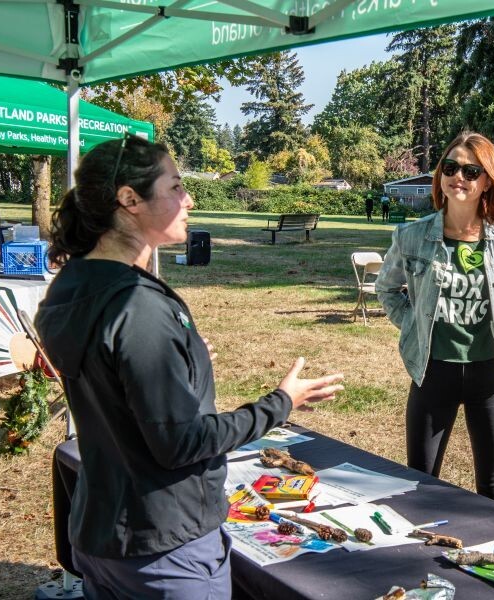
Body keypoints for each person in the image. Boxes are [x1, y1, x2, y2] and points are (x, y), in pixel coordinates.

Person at [34, 135, 344, 599]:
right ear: (129, 200)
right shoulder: (137, 304)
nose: (189, 198)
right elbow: (180, 443)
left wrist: (182, 363)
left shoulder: (73, 285)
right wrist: (281, 403)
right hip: (162, 544)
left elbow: (109, 377)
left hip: (105, 533)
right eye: (176, 186)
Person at [375, 131, 494, 504]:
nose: (459, 177)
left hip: (491, 373)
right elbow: (387, 289)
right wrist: (412, 325)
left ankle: (493, 559)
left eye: (472, 171)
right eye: (450, 167)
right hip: (433, 370)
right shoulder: (412, 236)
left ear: (487, 182)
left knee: (493, 489)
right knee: (419, 482)